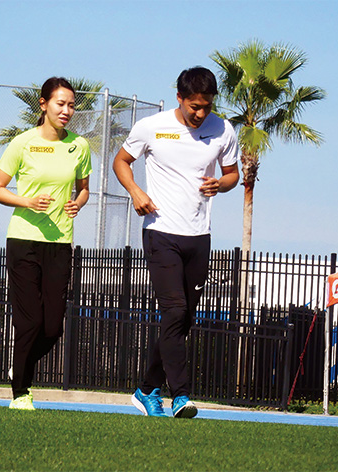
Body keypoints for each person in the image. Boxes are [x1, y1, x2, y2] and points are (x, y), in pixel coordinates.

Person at [113, 66, 240, 418]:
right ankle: (181, 395)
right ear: (180, 99)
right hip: (161, 232)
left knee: (181, 321)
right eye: (194, 106)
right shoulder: (152, 127)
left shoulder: (223, 129)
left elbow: (233, 175)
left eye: (207, 106)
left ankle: (145, 389)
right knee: (174, 311)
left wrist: (221, 185)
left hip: (199, 237)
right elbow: (120, 162)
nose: (201, 114)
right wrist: (136, 191)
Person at [0, 77, 91, 410]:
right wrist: (27, 201)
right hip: (23, 240)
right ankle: (21, 392)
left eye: (71, 105)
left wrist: (80, 201)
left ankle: (20, 364)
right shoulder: (23, 143)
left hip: (60, 242)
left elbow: (83, 188)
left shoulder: (80, 146)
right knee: (29, 321)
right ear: (43, 104)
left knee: (52, 327)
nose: (66, 110)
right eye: (60, 104)